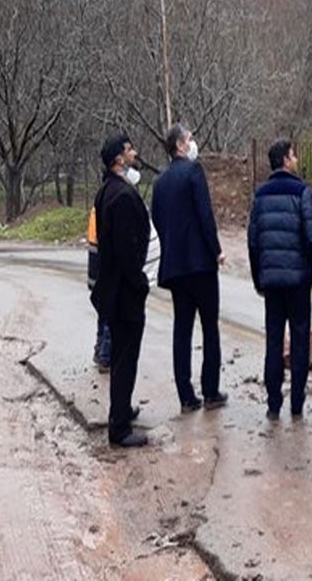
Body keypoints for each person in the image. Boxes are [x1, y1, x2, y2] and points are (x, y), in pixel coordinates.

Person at [150, 124, 228, 414]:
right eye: (190, 139)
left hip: (175, 266)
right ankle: (210, 391)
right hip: (201, 265)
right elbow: (204, 215)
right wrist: (215, 249)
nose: (193, 143)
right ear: (181, 146)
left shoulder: (160, 182)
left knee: (181, 329)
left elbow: (157, 219)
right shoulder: (194, 172)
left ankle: (186, 395)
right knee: (210, 327)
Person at [247, 140, 312, 421]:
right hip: (298, 280)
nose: (296, 160)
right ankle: (297, 401)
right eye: (293, 155)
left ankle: (273, 402)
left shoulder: (260, 196)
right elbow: (311, 237)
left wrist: (259, 278)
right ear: (285, 160)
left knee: (274, 339)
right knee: (300, 339)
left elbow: (253, 241)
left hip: (272, 282)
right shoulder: (301, 191)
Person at [90, 133, 150, 448]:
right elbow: (128, 251)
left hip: (113, 289)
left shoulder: (105, 192)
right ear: (118, 159)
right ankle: (120, 427)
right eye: (129, 150)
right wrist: (140, 283)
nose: (134, 153)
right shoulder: (122, 197)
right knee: (126, 357)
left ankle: (122, 409)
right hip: (125, 292)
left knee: (122, 356)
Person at [87, 204, 111, 372]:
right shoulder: (108, 207)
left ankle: (99, 348)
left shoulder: (97, 207)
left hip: (95, 271)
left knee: (103, 313)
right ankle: (105, 355)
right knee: (110, 315)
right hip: (103, 271)